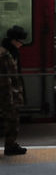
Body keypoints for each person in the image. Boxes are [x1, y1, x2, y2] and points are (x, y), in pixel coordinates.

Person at [1, 26, 27, 156]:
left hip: (11, 94)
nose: (21, 44)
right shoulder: (4, 54)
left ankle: (11, 145)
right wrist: (10, 98)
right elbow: (7, 79)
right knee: (7, 121)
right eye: (20, 41)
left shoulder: (11, 52)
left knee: (12, 121)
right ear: (13, 40)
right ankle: (10, 146)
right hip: (5, 95)